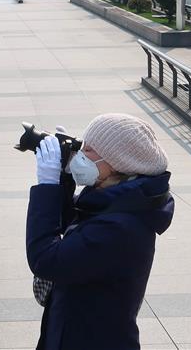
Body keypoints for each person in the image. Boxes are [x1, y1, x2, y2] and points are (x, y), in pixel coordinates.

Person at [27, 113, 173, 350]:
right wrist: (64, 179)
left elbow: (46, 259)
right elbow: (74, 218)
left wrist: (46, 186)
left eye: (90, 150)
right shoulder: (118, 202)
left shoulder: (119, 227)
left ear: (119, 162)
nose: (82, 154)